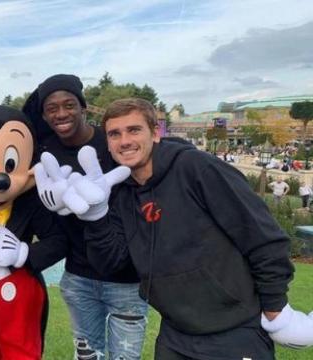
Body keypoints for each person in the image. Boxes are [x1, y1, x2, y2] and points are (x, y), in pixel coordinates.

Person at [55, 98, 298, 359]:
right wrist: (97, 218)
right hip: (175, 333)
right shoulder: (120, 194)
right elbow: (113, 263)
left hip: (235, 329)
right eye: (115, 134)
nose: (124, 141)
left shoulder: (197, 168)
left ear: (155, 132)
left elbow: (263, 237)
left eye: (134, 130)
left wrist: (274, 307)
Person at [22, 74, 147, 360]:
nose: (61, 113)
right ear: (44, 115)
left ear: (83, 107)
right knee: (87, 356)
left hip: (125, 276)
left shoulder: (113, 144)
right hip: (79, 275)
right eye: (51, 108)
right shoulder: (44, 152)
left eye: (68, 105)